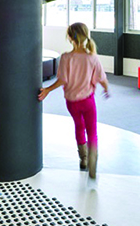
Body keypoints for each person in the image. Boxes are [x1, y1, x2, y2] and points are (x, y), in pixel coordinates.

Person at [38, 22, 109, 179]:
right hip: (88, 101)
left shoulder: (66, 57)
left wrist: (48, 90)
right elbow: (101, 78)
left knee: (79, 126)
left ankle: (83, 158)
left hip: (71, 102)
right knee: (92, 131)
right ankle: (92, 160)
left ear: (69, 37)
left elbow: (63, 79)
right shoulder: (92, 57)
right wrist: (106, 88)